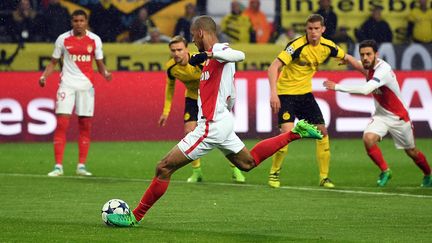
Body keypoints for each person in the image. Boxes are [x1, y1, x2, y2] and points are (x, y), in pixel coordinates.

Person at [106, 15, 323, 227]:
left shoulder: (220, 51)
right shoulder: (211, 60)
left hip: (211, 125)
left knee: (163, 167)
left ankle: (135, 216)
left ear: (201, 33)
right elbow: (227, 90)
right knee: (247, 163)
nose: (192, 40)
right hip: (221, 121)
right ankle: (295, 132)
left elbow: (240, 54)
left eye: (193, 36)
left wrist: (210, 54)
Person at [323, 39, 432, 187]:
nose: (365, 57)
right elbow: (355, 62)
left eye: (369, 54)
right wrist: (346, 58)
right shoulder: (367, 66)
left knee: (411, 151)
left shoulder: (383, 70)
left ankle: (428, 174)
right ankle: (385, 171)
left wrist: (337, 87)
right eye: (362, 55)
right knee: (368, 139)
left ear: (376, 54)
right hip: (381, 116)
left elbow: (366, 89)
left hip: (399, 117)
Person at [267, 14, 349, 189]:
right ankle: (274, 172)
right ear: (306, 29)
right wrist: (273, 93)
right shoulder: (296, 46)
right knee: (286, 136)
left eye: (316, 29)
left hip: (305, 95)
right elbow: (274, 66)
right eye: (310, 29)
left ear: (323, 30)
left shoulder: (327, 46)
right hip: (286, 94)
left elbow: (347, 57)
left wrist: (366, 72)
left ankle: (324, 177)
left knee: (322, 132)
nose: (313, 32)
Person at [159, 35, 245, 183]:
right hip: (192, 99)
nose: (176, 53)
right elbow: (170, 88)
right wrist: (166, 112)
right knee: (189, 133)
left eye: (179, 49)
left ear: (186, 49)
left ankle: (235, 168)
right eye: (173, 50)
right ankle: (197, 172)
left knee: (220, 135)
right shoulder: (171, 67)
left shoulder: (199, 60)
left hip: (209, 98)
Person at [38, 10, 112, 177]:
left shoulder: (95, 40)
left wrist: (106, 74)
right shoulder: (62, 39)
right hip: (67, 85)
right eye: (75, 21)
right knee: (62, 124)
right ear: (72, 22)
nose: (78, 23)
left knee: (85, 125)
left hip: (86, 87)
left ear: (86, 21)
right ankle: (58, 166)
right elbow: (53, 63)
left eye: (81, 20)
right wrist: (44, 76)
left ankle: (81, 166)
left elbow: (99, 64)